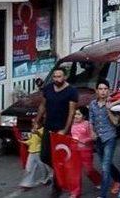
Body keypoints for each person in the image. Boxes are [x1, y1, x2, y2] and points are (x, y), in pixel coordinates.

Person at [34, 67, 78, 198]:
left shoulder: (71, 91)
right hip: (49, 127)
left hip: (61, 130)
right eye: (54, 76)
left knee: (59, 157)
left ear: (65, 77)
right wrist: (37, 120)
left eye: (59, 76)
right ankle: (60, 174)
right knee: (44, 156)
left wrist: (65, 130)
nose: (56, 79)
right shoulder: (48, 88)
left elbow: (71, 112)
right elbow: (43, 105)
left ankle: (57, 186)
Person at [89, 79, 120, 198]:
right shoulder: (92, 104)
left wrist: (109, 109)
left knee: (105, 167)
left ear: (109, 90)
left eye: (105, 89)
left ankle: (102, 195)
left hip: (110, 137)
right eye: (100, 89)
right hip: (98, 139)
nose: (103, 92)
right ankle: (118, 179)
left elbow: (115, 122)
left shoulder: (114, 104)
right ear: (96, 91)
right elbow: (91, 120)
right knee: (106, 163)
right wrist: (92, 132)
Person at [70, 106, 101, 197]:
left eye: (78, 114)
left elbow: (93, 137)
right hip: (74, 150)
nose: (76, 116)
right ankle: (76, 192)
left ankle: (98, 180)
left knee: (88, 170)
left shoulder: (87, 124)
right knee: (75, 172)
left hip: (86, 150)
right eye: (75, 114)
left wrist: (85, 140)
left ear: (84, 116)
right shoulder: (71, 123)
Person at [18, 121, 51, 190]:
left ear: (40, 123)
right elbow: (31, 141)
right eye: (33, 123)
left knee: (43, 168)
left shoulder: (43, 130)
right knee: (29, 168)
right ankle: (27, 183)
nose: (34, 125)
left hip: (39, 152)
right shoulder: (33, 131)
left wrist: (37, 133)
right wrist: (24, 142)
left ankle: (45, 180)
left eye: (35, 123)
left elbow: (43, 138)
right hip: (31, 152)